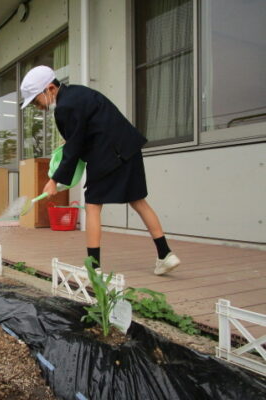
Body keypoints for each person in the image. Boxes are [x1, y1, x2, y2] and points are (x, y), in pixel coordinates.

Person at [20, 65, 180, 276]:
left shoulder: (65, 107)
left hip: (107, 154)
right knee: (139, 201)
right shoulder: (79, 92)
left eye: (35, 100)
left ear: (49, 89)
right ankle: (165, 254)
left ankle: (93, 268)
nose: (35, 106)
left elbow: (74, 148)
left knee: (93, 206)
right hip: (128, 148)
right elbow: (84, 134)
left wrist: (54, 180)